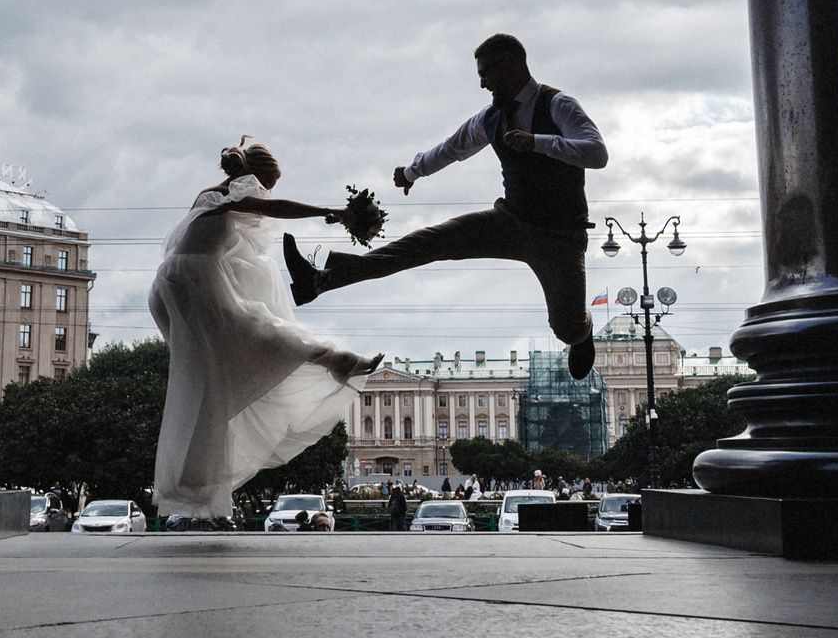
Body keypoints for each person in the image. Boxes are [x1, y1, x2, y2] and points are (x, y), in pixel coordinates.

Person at [285, 33, 607, 377]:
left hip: (560, 236)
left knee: (565, 327)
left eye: (486, 74)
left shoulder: (558, 104)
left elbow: (597, 152)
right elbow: (453, 147)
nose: (483, 84)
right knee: (426, 243)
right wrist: (412, 172)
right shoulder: (491, 118)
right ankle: (320, 280)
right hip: (510, 221)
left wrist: (538, 142)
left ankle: (581, 333)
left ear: (511, 66)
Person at [149, 139, 384, 528]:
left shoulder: (210, 195)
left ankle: (208, 505)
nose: (269, 191)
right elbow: (271, 207)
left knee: (211, 392)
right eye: (269, 182)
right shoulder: (239, 193)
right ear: (256, 177)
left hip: (173, 286)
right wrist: (332, 212)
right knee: (262, 332)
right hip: (193, 283)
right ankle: (334, 358)